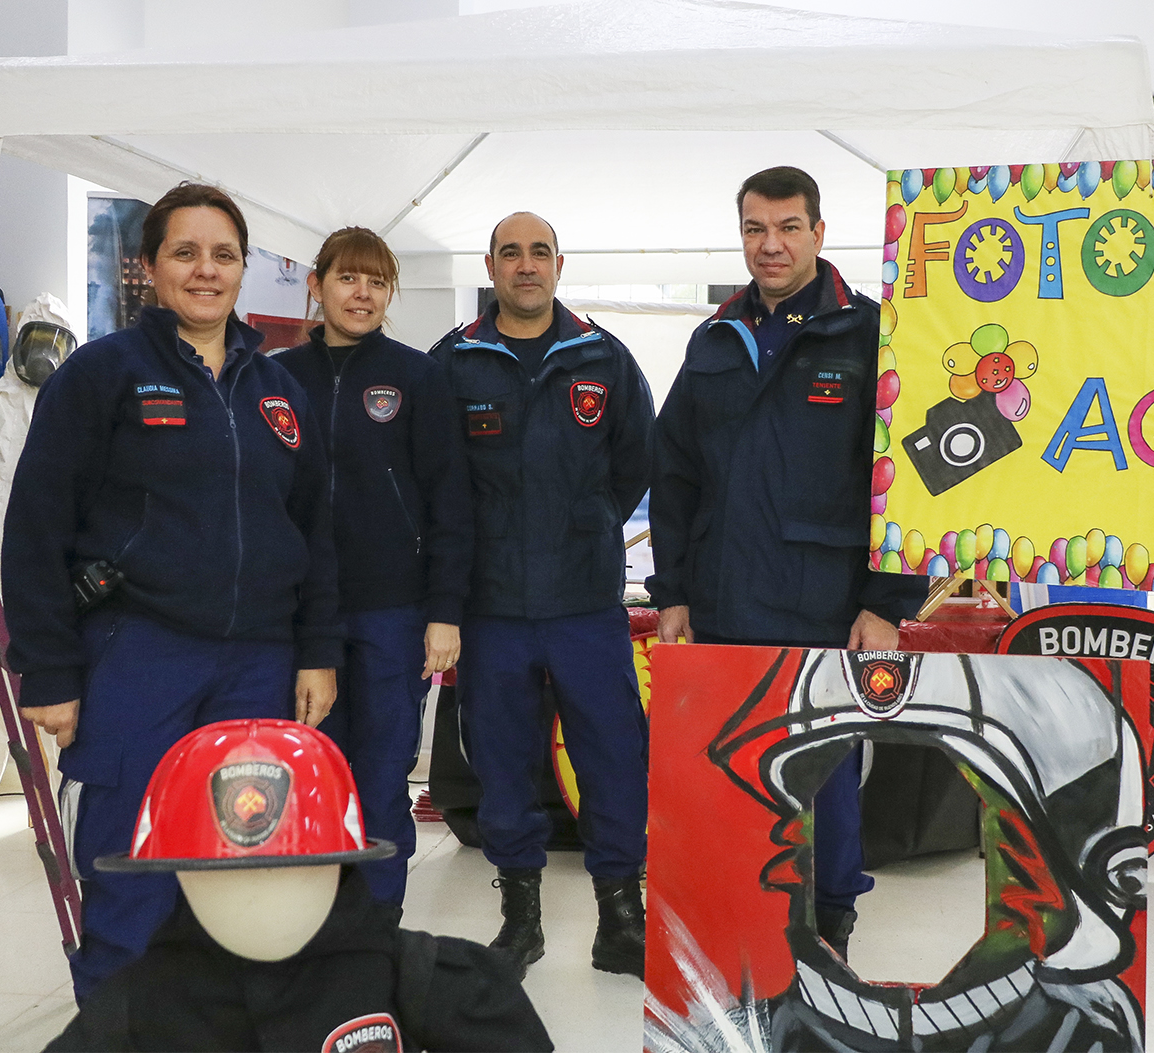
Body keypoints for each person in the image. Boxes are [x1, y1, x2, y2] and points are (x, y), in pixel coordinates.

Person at [2, 182, 342, 1002]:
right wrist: (47, 671)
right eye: (185, 252)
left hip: (258, 663)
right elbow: (37, 526)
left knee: (241, 865)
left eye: (223, 255)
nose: (205, 270)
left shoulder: (278, 393)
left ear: (242, 270)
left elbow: (314, 533)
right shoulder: (101, 375)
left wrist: (317, 652)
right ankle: (118, 1029)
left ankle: (219, 1028)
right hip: (137, 653)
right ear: (150, 268)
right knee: (131, 866)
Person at [647, 166, 927, 957]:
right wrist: (672, 590)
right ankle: (746, 916)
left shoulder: (871, 334)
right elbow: (674, 473)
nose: (771, 245)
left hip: (827, 607)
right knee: (735, 769)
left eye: (788, 227)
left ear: (819, 232)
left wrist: (889, 601)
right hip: (726, 600)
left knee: (825, 774)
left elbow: (904, 477)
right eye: (755, 229)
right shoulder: (714, 339)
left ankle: (832, 920)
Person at [429, 211, 653, 979]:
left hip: (585, 605)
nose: (526, 266)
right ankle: (520, 921)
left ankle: (622, 921)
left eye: (540, 252)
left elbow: (634, 466)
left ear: (561, 263)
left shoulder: (605, 359)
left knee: (615, 758)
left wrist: (583, 528)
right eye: (511, 252)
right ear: (490, 265)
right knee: (501, 762)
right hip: (491, 610)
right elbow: (433, 481)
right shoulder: (453, 362)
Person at [48, 718, 552, 1052]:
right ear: (178, 874)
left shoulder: (428, 982)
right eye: (223, 876)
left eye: (292, 871)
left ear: (341, 867)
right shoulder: (133, 1011)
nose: (259, 903)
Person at [274, 227, 471, 908]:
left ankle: (376, 935)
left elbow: (450, 499)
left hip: (393, 610)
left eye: (377, 281)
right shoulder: (275, 377)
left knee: (382, 777)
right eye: (349, 278)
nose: (363, 293)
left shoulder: (418, 376)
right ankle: (318, 931)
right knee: (311, 775)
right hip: (300, 615)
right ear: (316, 283)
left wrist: (445, 610)